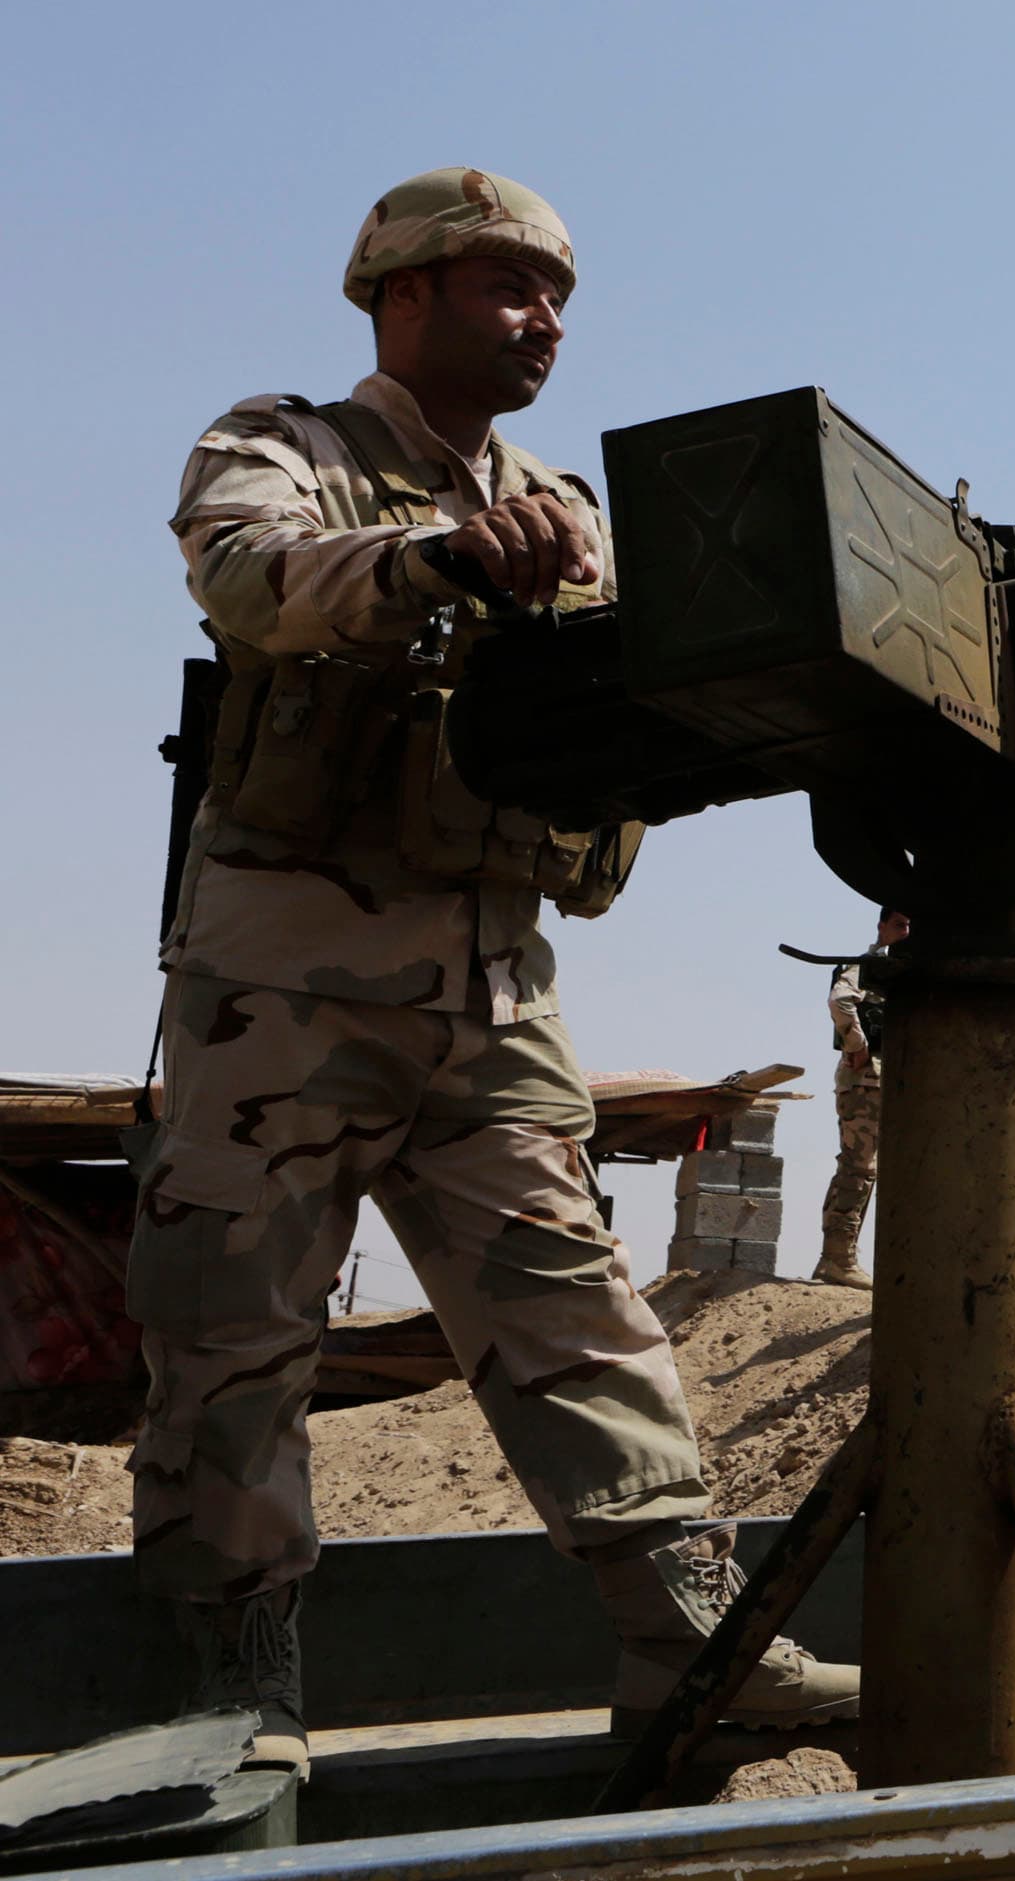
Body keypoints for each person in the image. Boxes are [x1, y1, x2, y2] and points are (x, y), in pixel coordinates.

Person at [140, 169, 859, 1777]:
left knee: (583, 1320)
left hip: (491, 988)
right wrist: (442, 560)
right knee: (235, 1340)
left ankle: (694, 1646)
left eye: (560, 301)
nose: (545, 324)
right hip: (288, 985)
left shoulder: (568, 509)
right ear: (401, 290)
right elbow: (251, 579)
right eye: (509, 289)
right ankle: (229, 1700)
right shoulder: (290, 443)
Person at [815, 907, 909, 1289]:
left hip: (897, 1083)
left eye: (911, 926)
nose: (907, 932)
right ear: (883, 927)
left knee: (878, 1170)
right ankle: (837, 1259)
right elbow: (840, 1001)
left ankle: (847, 1259)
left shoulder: (907, 971)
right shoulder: (869, 966)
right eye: (900, 924)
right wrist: (858, 1043)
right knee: (859, 1168)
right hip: (867, 1081)